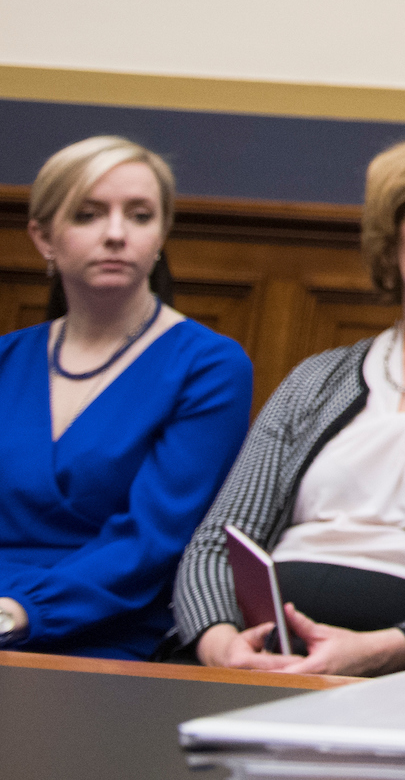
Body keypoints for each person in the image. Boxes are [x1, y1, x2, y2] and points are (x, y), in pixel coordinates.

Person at [172, 131, 405, 674]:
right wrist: (218, 642)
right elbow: (218, 541)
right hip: (261, 657)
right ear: (392, 240)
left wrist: (388, 648)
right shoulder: (316, 379)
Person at [0, 137, 251, 658]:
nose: (116, 235)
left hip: (108, 630)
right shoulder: (7, 358)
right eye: (89, 215)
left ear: (161, 235)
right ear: (44, 237)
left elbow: (151, 541)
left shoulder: (209, 367)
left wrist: (18, 612)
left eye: (139, 216)